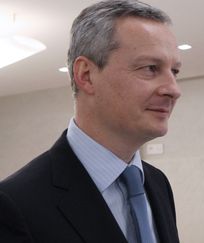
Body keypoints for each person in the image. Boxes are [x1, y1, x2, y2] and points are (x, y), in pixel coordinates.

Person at [0, 0, 182, 242]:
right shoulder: (15, 203)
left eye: (175, 71)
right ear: (86, 75)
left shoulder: (157, 183)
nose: (173, 89)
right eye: (150, 68)